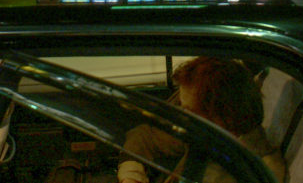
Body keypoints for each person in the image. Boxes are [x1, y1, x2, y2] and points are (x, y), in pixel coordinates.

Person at [117, 57, 285, 183]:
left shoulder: (256, 173)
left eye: (189, 111)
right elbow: (145, 136)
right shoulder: (209, 136)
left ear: (222, 115)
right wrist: (131, 176)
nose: (183, 116)